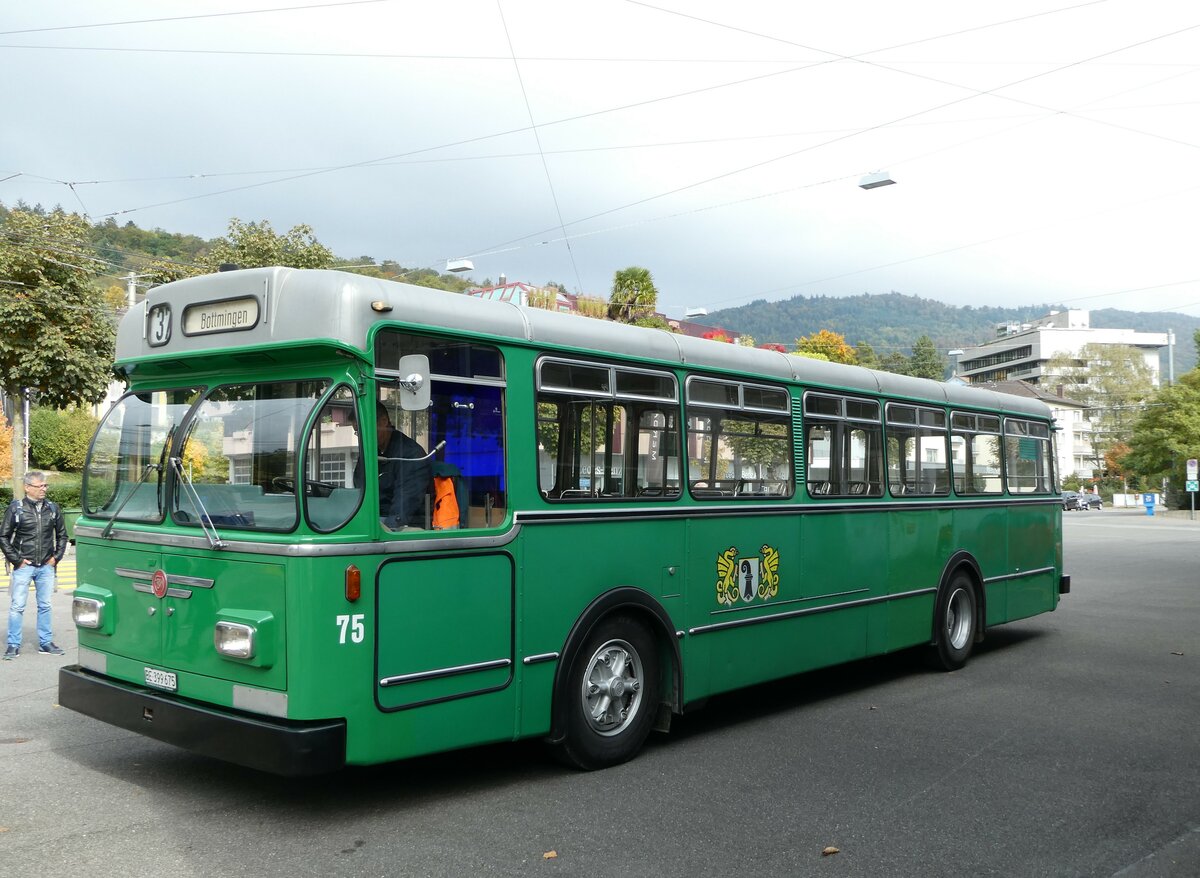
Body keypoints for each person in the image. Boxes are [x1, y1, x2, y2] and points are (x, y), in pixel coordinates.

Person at [2, 471, 68, 659]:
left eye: (45, 485)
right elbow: (3, 537)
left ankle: (45, 643)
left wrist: (56, 558)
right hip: (24, 566)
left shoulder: (52, 508)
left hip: (46, 566)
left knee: (45, 605)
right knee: (17, 606)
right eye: (40, 486)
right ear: (27, 487)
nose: (44, 489)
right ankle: (13, 645)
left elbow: (63, 535)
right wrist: (17, 560)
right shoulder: (16, 509)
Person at [376, 402, 432, 529]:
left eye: (365, 429)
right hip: (373, 521)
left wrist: (386, 530)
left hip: (403, 529)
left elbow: (403, 508)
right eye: (358, 432)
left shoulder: (410, 454)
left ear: (384, 421)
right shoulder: (371, 452)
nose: (361, 436)